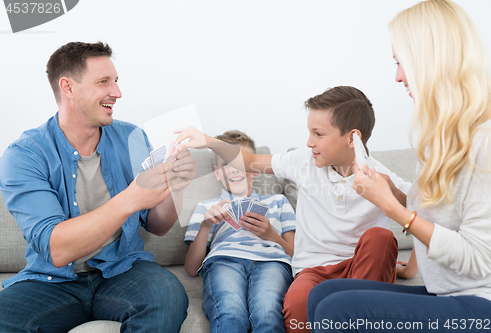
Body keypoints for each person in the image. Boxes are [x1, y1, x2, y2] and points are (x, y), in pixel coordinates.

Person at [307, 1, 491, 332]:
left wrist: (392, 209)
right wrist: (394, 192)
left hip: (484, 304)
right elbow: (442, 216)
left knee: (338, 310)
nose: (397, 76)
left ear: (431, 60)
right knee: (322, 295)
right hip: (449, 292)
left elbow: (479, 258)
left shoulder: (489, 139)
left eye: (401, 62)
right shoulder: (443, 136)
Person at [175, 86, 411, 333]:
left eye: (318, 134)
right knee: (298, 306)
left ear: (352, 138)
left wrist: (391, 193)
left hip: (360, 270)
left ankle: (354, 315)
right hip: (314, 270)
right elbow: (249, 161)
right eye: (310, 133)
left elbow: (428, 215)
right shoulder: (303, 162)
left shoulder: (381, 177)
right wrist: (208, 141)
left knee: (380, 238)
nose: (309, 142)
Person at [0, 42, 196, 333]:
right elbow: (56, 249)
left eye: (116, 81)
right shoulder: (25, 155)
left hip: (124, 270)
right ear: (68, 87)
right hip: (51, 281)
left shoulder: (132, 137)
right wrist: (130, 199)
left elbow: (158, 226)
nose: (117, 93)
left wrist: (176, 186)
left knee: (167, 297)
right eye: (104, 82)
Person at [184, 130, 296, 333]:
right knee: (230, 311)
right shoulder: (207, 207)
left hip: (272, 262)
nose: (234, 169)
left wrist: (270, 234)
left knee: (267, 312)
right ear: (217, 172)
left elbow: (295, 255)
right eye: (227, 164)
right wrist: (206, 226)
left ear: (254, 168)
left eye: (240, 163)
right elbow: (191, 269)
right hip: (225, 260)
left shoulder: (279, 202)